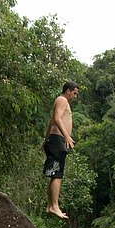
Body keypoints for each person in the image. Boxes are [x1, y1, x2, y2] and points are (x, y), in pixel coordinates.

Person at [42, 81, 79, 219]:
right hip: (58, 140)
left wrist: (46, 140)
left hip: (55, 139)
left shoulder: (61, 102)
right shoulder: (62, 99)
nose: (75, 96)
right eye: (74, 93)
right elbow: (57, 119)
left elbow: (51, 122)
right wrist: (67, 136)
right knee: (57, 175)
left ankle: (50, 205)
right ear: (68, 91)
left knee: (54, 173)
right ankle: (54, 206)